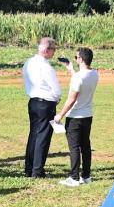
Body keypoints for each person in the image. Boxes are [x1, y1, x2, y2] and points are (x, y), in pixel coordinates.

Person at [54, 47, 99, 186]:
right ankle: (86, 176)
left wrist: (60, 115)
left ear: (80, 59)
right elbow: (81, 79)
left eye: (76, 57)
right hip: (87, 116)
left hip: (74, 117)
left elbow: (72, 98)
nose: (76, 58)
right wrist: (70, 68)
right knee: (85, 146)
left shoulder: (79, 77)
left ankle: (74, 178)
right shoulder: (95, 74)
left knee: (74, 148)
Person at [22, 37, 62, 178]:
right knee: (43, 138)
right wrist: (57, 99)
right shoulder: (46, 66)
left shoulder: (28, 62)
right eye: (53, 49)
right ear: (46, 50)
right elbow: (56, 89)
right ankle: (37, 171)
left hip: (33, 102)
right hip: (45, 104)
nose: (54, 52)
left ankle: (29, 168)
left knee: (34, 135)